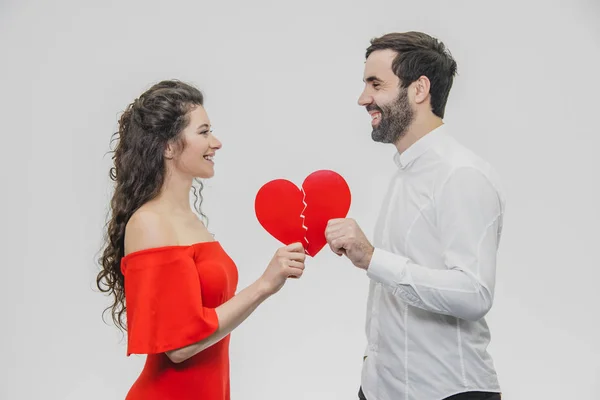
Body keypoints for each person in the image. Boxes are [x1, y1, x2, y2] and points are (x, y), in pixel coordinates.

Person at [96, 79, 306, 400]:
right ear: (168, 146)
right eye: (204, 132)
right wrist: (264, 284)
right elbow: (180, 347)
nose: (216, 142)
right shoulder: (149, 223)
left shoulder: (190, 220)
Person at [325, 32, 505, 400]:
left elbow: (474, 293)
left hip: (445, 392)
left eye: (376, 84)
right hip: (381, 389)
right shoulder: (405, 172)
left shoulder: (461, 175)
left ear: (419, 89)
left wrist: (374, 259)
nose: (363, 99)